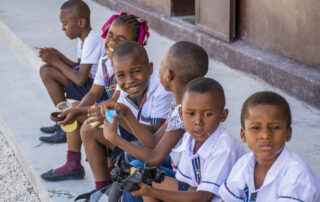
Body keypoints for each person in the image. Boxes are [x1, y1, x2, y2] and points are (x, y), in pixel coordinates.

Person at [40, 13, 150, 182]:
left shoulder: (132, 71)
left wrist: (77, 111)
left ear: (135, 45)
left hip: (132, 127)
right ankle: (77, 165)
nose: (112, 42)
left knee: (86, 123)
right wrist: (77, 109)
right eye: (110, 35)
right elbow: (93, 93)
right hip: (116, 116)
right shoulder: (105, 61)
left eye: (121, 39)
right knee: (77, 109)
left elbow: (114, 102)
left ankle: (85, 170)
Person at [107, 77, 245, 202]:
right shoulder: (190, 138)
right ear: (181, 114)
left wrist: (155, 191)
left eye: (208, 114)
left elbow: (204, 196)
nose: (198, 121)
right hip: (195, 192)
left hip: (204, 197)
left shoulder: (225, 147)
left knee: (140, 175)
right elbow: (187, 185)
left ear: (223, 115)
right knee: (139, 175)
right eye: (190, 113)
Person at [103, 41, 209, 201]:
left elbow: (154, 153)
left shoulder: (187, 112)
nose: (158, 70)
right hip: (180, 165)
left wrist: (113, 138)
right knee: (132, 154)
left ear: (169, 75)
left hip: (193, 181)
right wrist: (124, 114)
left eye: (161, 65)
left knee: (138, 172)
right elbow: (154, 137)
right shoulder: (179, 102)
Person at [80, 41, 173, 193]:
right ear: (116, 77)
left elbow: (153, 138)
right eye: (121, 75)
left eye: (136, 71)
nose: (129, 80)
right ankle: (103, 189)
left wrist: (119, 119)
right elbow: (116, 112)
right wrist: (105, 114)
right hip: (138, 132)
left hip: (157, 145)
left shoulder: (162, 89)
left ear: (149, 69)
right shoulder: (125, 88)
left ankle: (114, 190)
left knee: (134, 163)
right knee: (89, 127)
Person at [218, 91, 320, 201]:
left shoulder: (296, 174)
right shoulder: (243, 164)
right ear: (243, 135)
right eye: (256, 128)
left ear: (288, 133)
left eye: (275, 127)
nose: (266, 135)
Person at [39, 0, 105, 143]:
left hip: (94, 89)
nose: (63, 28)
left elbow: (80, 78)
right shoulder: (83, 40)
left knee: (47, 71)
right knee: (46, 69)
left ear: (81, 23)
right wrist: (60, 57)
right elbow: (79, 66)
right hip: (88, 82)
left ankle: (66, 122)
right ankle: (63, 119)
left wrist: (55, 62)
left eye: (65, 23)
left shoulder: (91, 41)